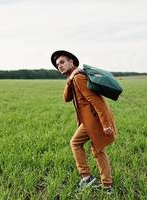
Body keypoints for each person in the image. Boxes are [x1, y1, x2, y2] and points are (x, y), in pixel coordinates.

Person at [51, 50, 117, 193]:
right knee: (98, 150)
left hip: (93, 121)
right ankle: (107, 186)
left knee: (75, 143)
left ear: (71, 62)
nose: (59, 66)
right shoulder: (73, 79)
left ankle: (86, 178)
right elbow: (66, 98)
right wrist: (69, 81)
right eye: (57, 65)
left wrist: (106, 124)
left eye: (62, 62)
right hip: (90, 121)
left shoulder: (79, 78)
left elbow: (97, 101)